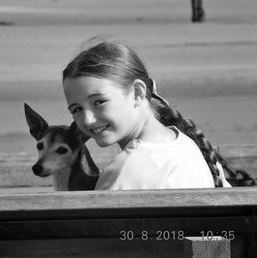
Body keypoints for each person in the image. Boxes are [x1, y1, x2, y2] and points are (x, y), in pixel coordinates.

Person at [62, 39, 251, 190]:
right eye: (76, 109)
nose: (87, 119)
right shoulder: (191, 147)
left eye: (99, 102)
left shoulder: (124, 172)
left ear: (137, 92)